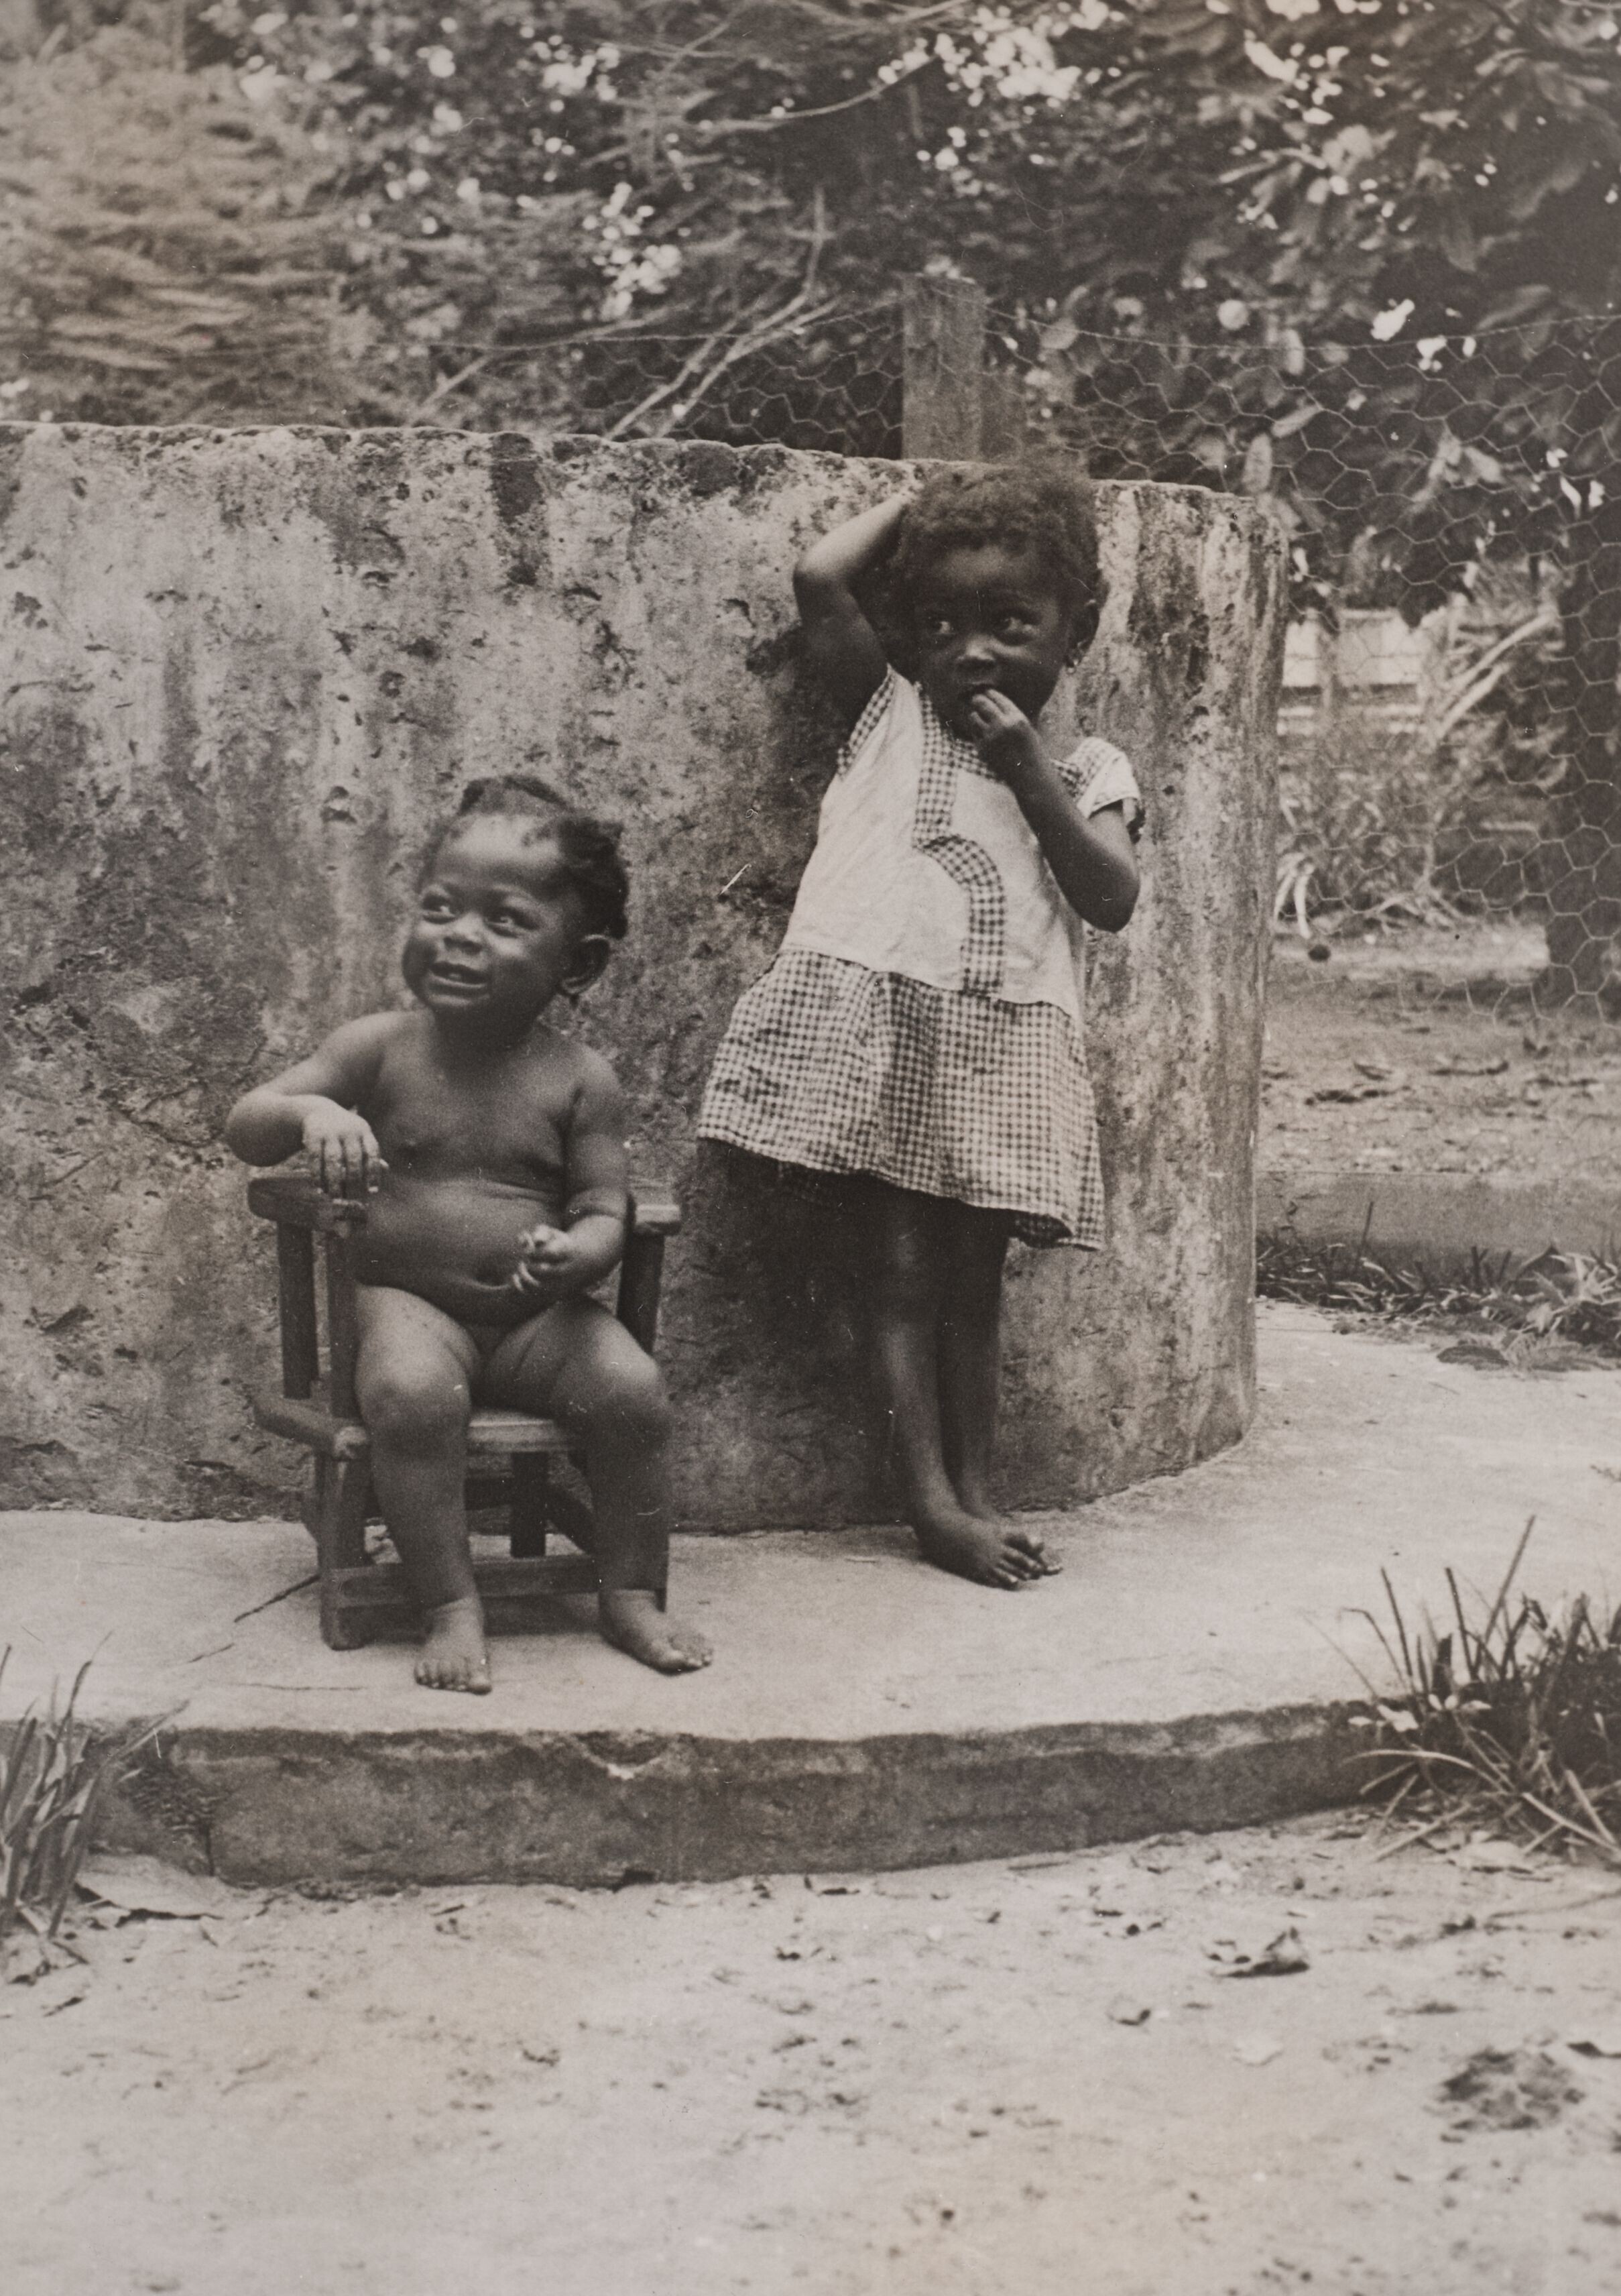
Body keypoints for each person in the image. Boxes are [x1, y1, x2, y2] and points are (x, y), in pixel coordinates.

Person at [699, 458, 1142, 1590]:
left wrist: (1028, 769)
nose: (972, 652)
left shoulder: (1089, 767)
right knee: (897, 1273)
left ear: (1077, 631)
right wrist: (929, 498)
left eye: (1010, 625)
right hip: (886, 1028)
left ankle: (979, 1493)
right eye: (941, 625)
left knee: (972, 1285)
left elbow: (1109, 897)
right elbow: (819, 577)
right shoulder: (890, 715)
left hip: (1001, 1042)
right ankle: (931, 1506)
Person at [225, 777, 711, 1694]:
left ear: (579, 964)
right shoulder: (378, 1047)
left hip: (536, 1323)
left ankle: (630, 1591)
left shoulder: (580, 1080)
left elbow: (603, 1207)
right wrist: (312, 1113)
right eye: (440, 907)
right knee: (411, 1396)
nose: (458, 935)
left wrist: (577, 1254)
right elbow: (247, 1122)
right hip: (409, 1307)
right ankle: (450, 1602)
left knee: (634, 1395)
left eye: (505, 920)